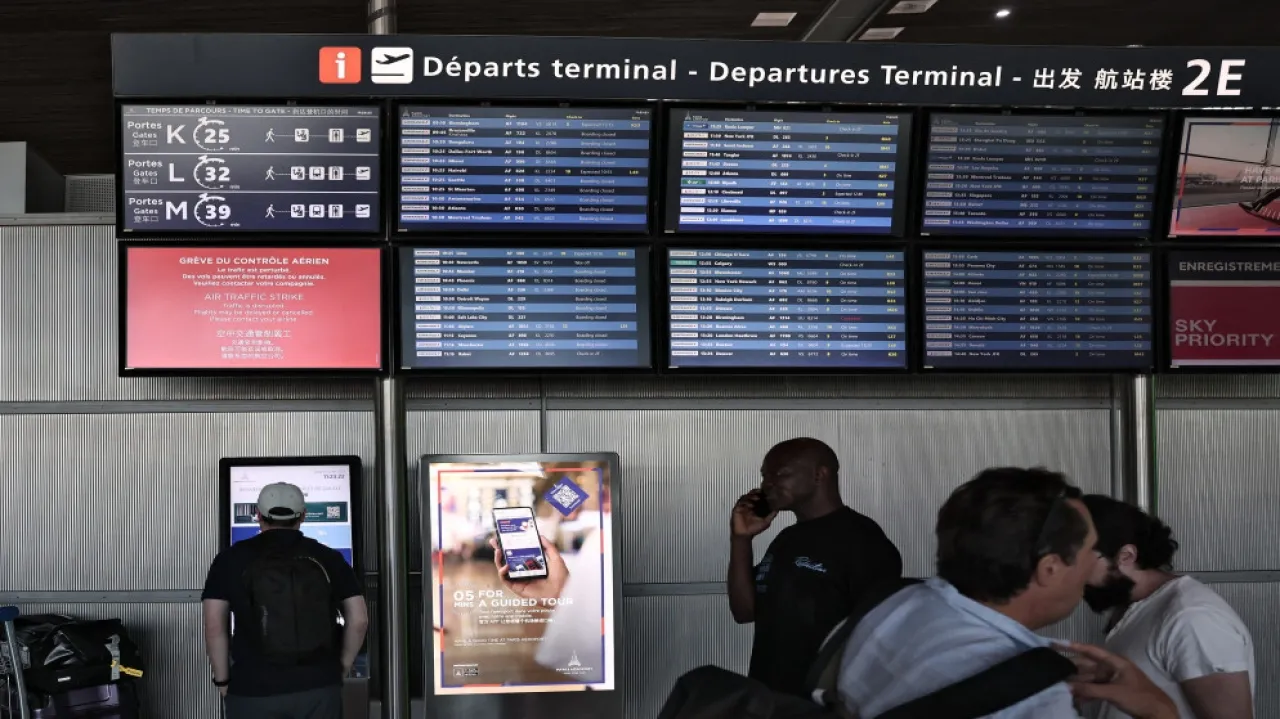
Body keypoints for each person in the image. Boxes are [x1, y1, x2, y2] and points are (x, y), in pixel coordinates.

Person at [837, 467, 1178, 719]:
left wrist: (1027, 671)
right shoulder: (1035, 702)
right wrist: (1160, 710)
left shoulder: (893, 601)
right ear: (1050, 568)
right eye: (1090, 550)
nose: (1093, 563)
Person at [726, 437, 903, 697]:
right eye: (764, 475)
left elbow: (879, 641)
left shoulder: (863, 541)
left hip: (823, 704)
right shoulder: (786, 540)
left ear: (819, 475)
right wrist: (741, 540)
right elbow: (744, 611)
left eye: (780, 474)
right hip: (771, 701)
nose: (767, 484)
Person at [202, 482, 369, 719]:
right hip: (318, 688)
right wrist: (339, 668)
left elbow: (214, 626)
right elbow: (359, 620)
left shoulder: (230, 559)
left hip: (252, 690)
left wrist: (222, 681)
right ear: (303, 515)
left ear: (258, 515)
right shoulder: (328, 557)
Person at [1081, 495, 1255, 719]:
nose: (1070, 574)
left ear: (1126, 556)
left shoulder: (1192, 619)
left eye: (1079, 561)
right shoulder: (1132, 607)